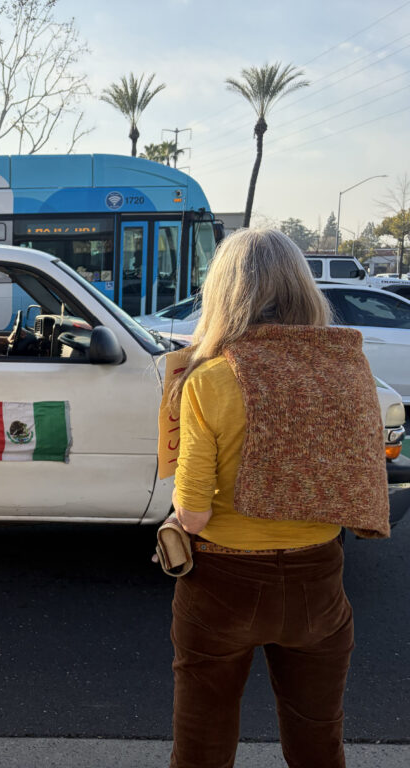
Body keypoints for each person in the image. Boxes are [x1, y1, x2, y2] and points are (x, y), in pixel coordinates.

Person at [166, 228, 389, 768]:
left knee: (203, 745)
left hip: (222, 585)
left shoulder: (212, 379)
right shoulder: (349, 369)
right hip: (319, 582)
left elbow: (193, 512)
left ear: (224, 293)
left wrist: (173, 524)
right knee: (317, 744)